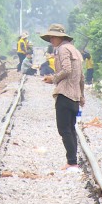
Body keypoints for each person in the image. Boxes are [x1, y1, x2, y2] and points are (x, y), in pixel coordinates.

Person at [41, 24, 85, 171]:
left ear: (60, 37)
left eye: (53, 37)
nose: (51, 40)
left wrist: (53, 79)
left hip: (65, 94)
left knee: (64, 129)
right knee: (70, 128)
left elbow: (67, 69)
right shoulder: (75, 51)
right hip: (75, 96)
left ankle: (71, 162)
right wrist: (82, 95)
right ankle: (73, 160)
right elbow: (81, 76)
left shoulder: (62, 49)